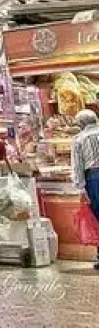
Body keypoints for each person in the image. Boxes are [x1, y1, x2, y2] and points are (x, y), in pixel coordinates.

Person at [71, 109, 99, 270]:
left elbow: (77, 166)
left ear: (81, 124)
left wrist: (80, 189)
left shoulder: (79, 139)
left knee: (97, 216)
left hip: (94, 178)